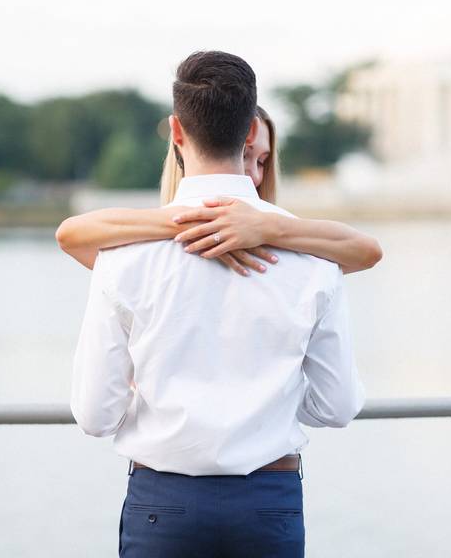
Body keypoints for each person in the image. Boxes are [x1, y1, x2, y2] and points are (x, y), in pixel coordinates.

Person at [68, 50, 368, 557]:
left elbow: (96, 415)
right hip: (267, 502)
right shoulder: (312, 259)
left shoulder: (123, 258)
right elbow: (336, 407)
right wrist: (268, 398)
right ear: (251, 131)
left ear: (176, 131)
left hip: (163, 504)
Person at [55, 107, 383, 278]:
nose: (254, 174)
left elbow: (366, 251)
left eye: (263, 161)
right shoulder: (137, 253)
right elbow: (70, 233)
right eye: (244, 156)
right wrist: (200, 225)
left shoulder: (287, 246)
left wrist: (267, 227)